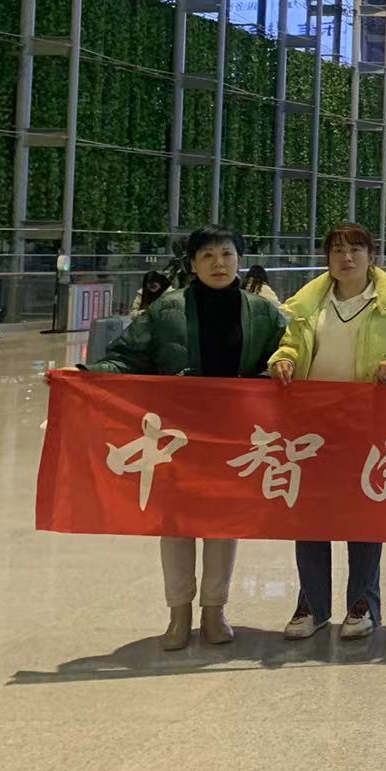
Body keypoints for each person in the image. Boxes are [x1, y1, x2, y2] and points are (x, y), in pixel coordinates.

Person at [88, 225, 287, 650]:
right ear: (193, 264)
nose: (219, 263)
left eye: (227, 254)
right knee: (175, 522)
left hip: (232, 435)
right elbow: (126, 356)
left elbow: (288, 357)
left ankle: (215, 609)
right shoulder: (167, 310)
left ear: (239, 260)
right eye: (208, 256)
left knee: (222, 523)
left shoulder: (263, 313)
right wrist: (86, 376)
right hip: (177, 435)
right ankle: (178, 611)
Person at [268, 223, 386, 641]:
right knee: (310, 516)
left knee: (364, 514)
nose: (346, 257)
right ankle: (312, 604)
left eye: (356, 249)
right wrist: (284, 360)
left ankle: (363, 603)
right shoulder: (307, 304)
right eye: (337, 250)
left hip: (367, 424)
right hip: (312, 426)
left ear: (372, 256)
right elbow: (290, 345)